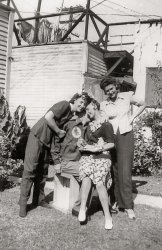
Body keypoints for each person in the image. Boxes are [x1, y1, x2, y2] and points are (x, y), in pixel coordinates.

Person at [19, 93, 86, 217]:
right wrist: (58, 131)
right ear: (75, 99)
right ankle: (23, 204)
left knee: (43, 171)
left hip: (47, 141)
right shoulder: (65, 104)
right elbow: (48, 117)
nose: (82, 105)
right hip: (37, 136)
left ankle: (38, 200)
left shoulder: (70, 115)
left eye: (84, 104)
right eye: (81, 102)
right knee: (30, 170)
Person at [100, 77, 146, 220]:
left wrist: (132, 117)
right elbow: (102, 121)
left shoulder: (127, 96)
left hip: (125, 134)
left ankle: (128, 206)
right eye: (107, 91)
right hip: (111, 138)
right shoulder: (103, 104)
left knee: (125, 171)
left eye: (111, 89)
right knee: (114, 171)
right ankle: (116, 202)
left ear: (116, 86)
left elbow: (143, 103)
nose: (110, 92)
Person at [78, 99, 115, 230]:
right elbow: (88, 142)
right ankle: (82, 208)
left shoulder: (106, 125)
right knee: (87, 176)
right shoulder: (89, 125)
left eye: (88, 109)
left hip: (102, 155)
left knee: (99, 182)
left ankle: (108, 217)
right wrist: (82, 143)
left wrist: (99, 148)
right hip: (89, 155)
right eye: (86, 111)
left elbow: (111, 143)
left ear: (95, 106)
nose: (87, 112)